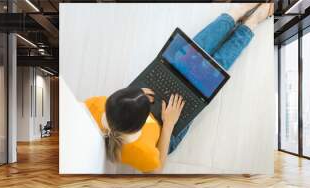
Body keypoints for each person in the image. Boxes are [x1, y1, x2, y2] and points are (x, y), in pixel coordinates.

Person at [85, 3, 273, 173]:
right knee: (212, 72)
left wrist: (138, 94)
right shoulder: (139, 151)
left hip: (134, 111)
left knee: (191, 53)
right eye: (144, 100)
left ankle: (234, 14)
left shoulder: (94, 106)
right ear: (141, 122)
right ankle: (250, 25)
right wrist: (168, 124)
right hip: (166, 130)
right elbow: (157, 168)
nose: (146, 95)